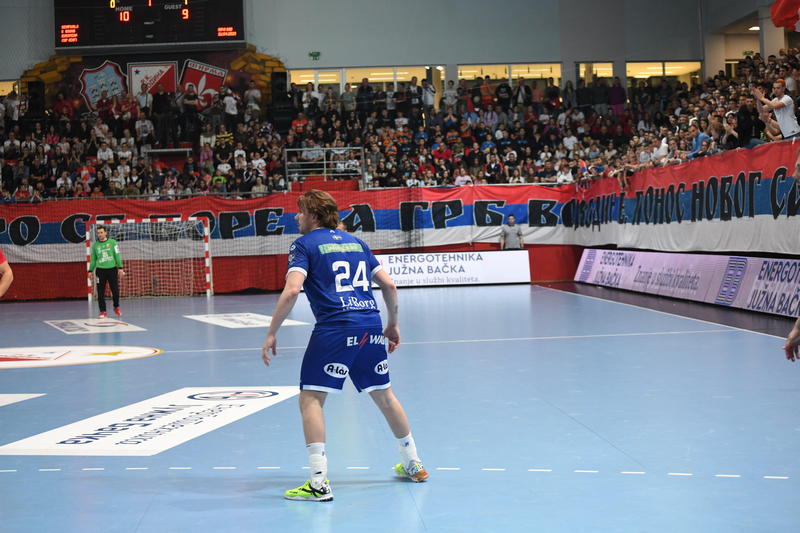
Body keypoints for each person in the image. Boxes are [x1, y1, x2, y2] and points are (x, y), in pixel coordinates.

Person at [261, 189, 428, 502]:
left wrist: (272, 331)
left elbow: (293, 290)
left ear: (313, 216)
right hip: (370, 326)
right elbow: (389, 285)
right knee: (385, 395)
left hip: (335, 329)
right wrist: (392, 324)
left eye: (300, 212)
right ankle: (414, 463)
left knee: (311, 398)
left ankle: (318, 483)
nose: (296, 217)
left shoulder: (303, 244)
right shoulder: (357, 243)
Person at [89, 225, 125, 318]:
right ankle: (103, 311)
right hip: (100, 271)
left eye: (101, 232)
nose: (100, 234)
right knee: (100, 292)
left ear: (105, 233)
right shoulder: (95, 245)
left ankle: (116, 307)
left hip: (112, 270)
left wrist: (120, 268)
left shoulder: (113, 243)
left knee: (115, 291)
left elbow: (117, 255)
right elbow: (93, 259)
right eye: (98, 233)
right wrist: (90, 270)